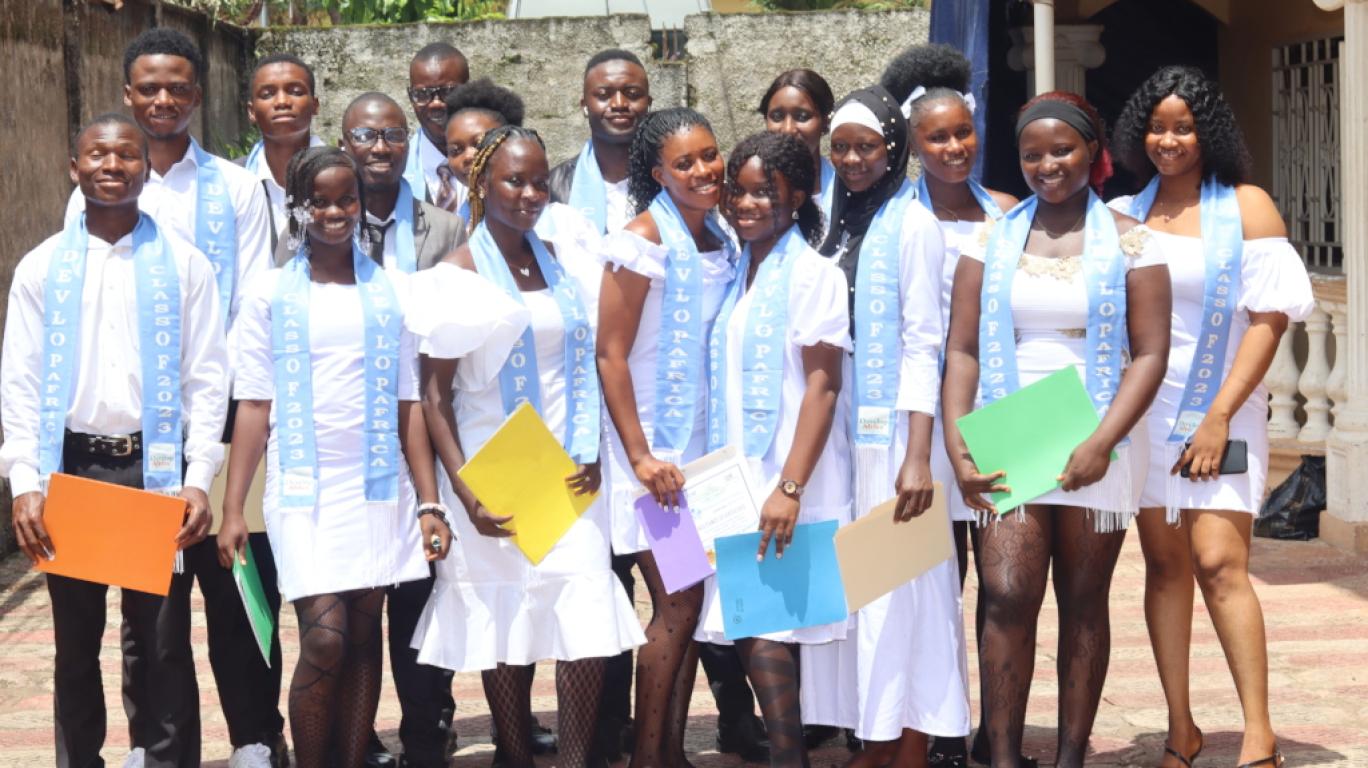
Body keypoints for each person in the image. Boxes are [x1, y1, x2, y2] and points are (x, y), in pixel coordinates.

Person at [63, 27, 275, 768]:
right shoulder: (96, 181)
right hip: (128, 435)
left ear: (198, 94)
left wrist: (233, 424)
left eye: (177, 87)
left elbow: (251, 305)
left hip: (213, 418)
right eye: (148, 87)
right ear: (128, 93)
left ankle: (253, 735)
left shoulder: (237, 188)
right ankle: (152, 742)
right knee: (143, 606)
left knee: (233, 578)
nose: (163, 99)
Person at [940, 92, 1172, 768]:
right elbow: (962, 349)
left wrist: (1100, 440)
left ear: (1092, 151)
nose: (1048, 164)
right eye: (1032, 153)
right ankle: (1005, 755)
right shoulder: (992, 236)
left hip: (1102, 436)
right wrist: (960, 441)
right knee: (1008, 595)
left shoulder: (1131, 238)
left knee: (1083, 598)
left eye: (1062, 149)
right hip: (1012, 428)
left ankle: (1071, 755)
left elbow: (1151, 352)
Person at [409, 125, 645, 768]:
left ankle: (572, 760)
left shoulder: (562, 262)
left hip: (568, 473)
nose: (530, 193)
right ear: (483, 183)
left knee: (584, 615)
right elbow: (433, 397)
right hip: (496, 471)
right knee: (503, 617)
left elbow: (586, 363)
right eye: (515, 179)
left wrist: (592, 449)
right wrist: (466, 490)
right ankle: (513, 754)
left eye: (540, 180)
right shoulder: (454, 274)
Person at [2, 113, 228, 768]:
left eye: (126, 154)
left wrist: (198, 476)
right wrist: (24, 484)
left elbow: (208, 378)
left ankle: (162, 760)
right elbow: (17, 382)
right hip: (69, 470)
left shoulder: (184, 265)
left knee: (158, 642)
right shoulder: (42, 267)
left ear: (145, 168)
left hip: (152, 470)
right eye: (96, 154)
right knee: (75, 646)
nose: (111, 164)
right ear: (74, 168)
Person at [1110, 65, 1313, 768]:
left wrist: (1221, 414)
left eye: (1184, 126)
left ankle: (1258, 734)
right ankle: (1180, 728)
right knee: (1164, 569)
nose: (1169, 139)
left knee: (1220, 563)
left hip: (1223, 410)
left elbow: (1268, 321)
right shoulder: (1124, 216)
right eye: (1157, 126)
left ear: (1208, 131)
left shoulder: (1248, 207)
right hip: (1148, 413)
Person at [219, 146, 447, 768]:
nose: (335, 211)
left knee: (365, 639)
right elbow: (254, 405)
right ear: (297, 206)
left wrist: (427, 502)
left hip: (379, 487)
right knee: (325, 639)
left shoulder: (391, 291)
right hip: (303, 491)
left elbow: (409, 404)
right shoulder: (269, 293)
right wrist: (233, 507)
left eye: (346, 198)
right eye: (319, 200)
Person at [280, 91, 465, 768]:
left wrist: (428, 493)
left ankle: (401, 739)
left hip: (394, 463)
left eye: (393, 134)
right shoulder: (290, 266)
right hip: (311, 471)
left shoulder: (433, 241)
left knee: (390, 622)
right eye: (366, 134)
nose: (380, 146)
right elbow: (256, 389)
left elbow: (418, 384)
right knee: (331, 637)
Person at [796, 85, 968, 768]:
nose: (853, 159)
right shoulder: (828, 219)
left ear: (893, 148)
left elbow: (926, 339)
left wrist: (919, 453)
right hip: (840, 425)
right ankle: (874, 731)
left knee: (904, 587)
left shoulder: (914, 223)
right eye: (840, 147)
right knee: (856, 584)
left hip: (897, 432)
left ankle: (909, 740)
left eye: (867, 146)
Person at [883, 43, 1020, 768]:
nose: (953, 146)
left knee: (1004, 589)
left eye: (963, 132)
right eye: (936, 136)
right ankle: (930, 729)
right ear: (912, 144)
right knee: (931, 587)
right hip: (920, 424)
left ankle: (992, 737)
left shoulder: (1009, 214)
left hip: (994, 418)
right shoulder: (896, 220)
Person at [697, 130, 851, 768]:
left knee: (774, 624)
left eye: (766, 191)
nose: (748, 203)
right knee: (754, 622)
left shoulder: (814, 274)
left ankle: (792, 759)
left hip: (791, 469)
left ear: (799, 194)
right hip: (737, 470)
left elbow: (822, 384)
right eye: (740, 190)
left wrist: (790, 486)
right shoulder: (740, 271)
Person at [596, 107, 739, 768]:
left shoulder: (722, 234)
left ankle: (670, 749)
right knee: (677, 603)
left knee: (690, 600)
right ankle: (650, 755)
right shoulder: (641, 240)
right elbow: (611, 355)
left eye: (710, 155)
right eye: (685, 162)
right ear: (657, 172)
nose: (704, 170)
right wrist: (640, 456)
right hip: (656, 456)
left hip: (707, 454)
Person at [549, 49, 652, 234]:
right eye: (604, 95)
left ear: (649, 103)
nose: (619, 104)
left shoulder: (670, 181)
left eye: (633, 94)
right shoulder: (553, 187)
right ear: (585, 106)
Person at [241, 52, 324, 251]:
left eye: (295, 91)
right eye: (267, 94)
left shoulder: (346, 174)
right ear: (251, 112)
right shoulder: (232, 178)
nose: (282, 102)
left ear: (315, 105)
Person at [441, 78, 526, 223]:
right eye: (456, 150)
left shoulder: (545, 218)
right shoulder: (458, 221)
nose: (468, 156)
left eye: (479, 143)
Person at [759, 69, 836, 222]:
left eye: (802, 116)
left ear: (826, 123)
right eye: (777, 116)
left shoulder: (845, 192)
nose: (788, 129)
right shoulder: (751, 192)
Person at [405, 41, 471, 207]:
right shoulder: (397, 170)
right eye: (421, 94)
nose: (436, 103)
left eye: (448, 91)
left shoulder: (496, 163)